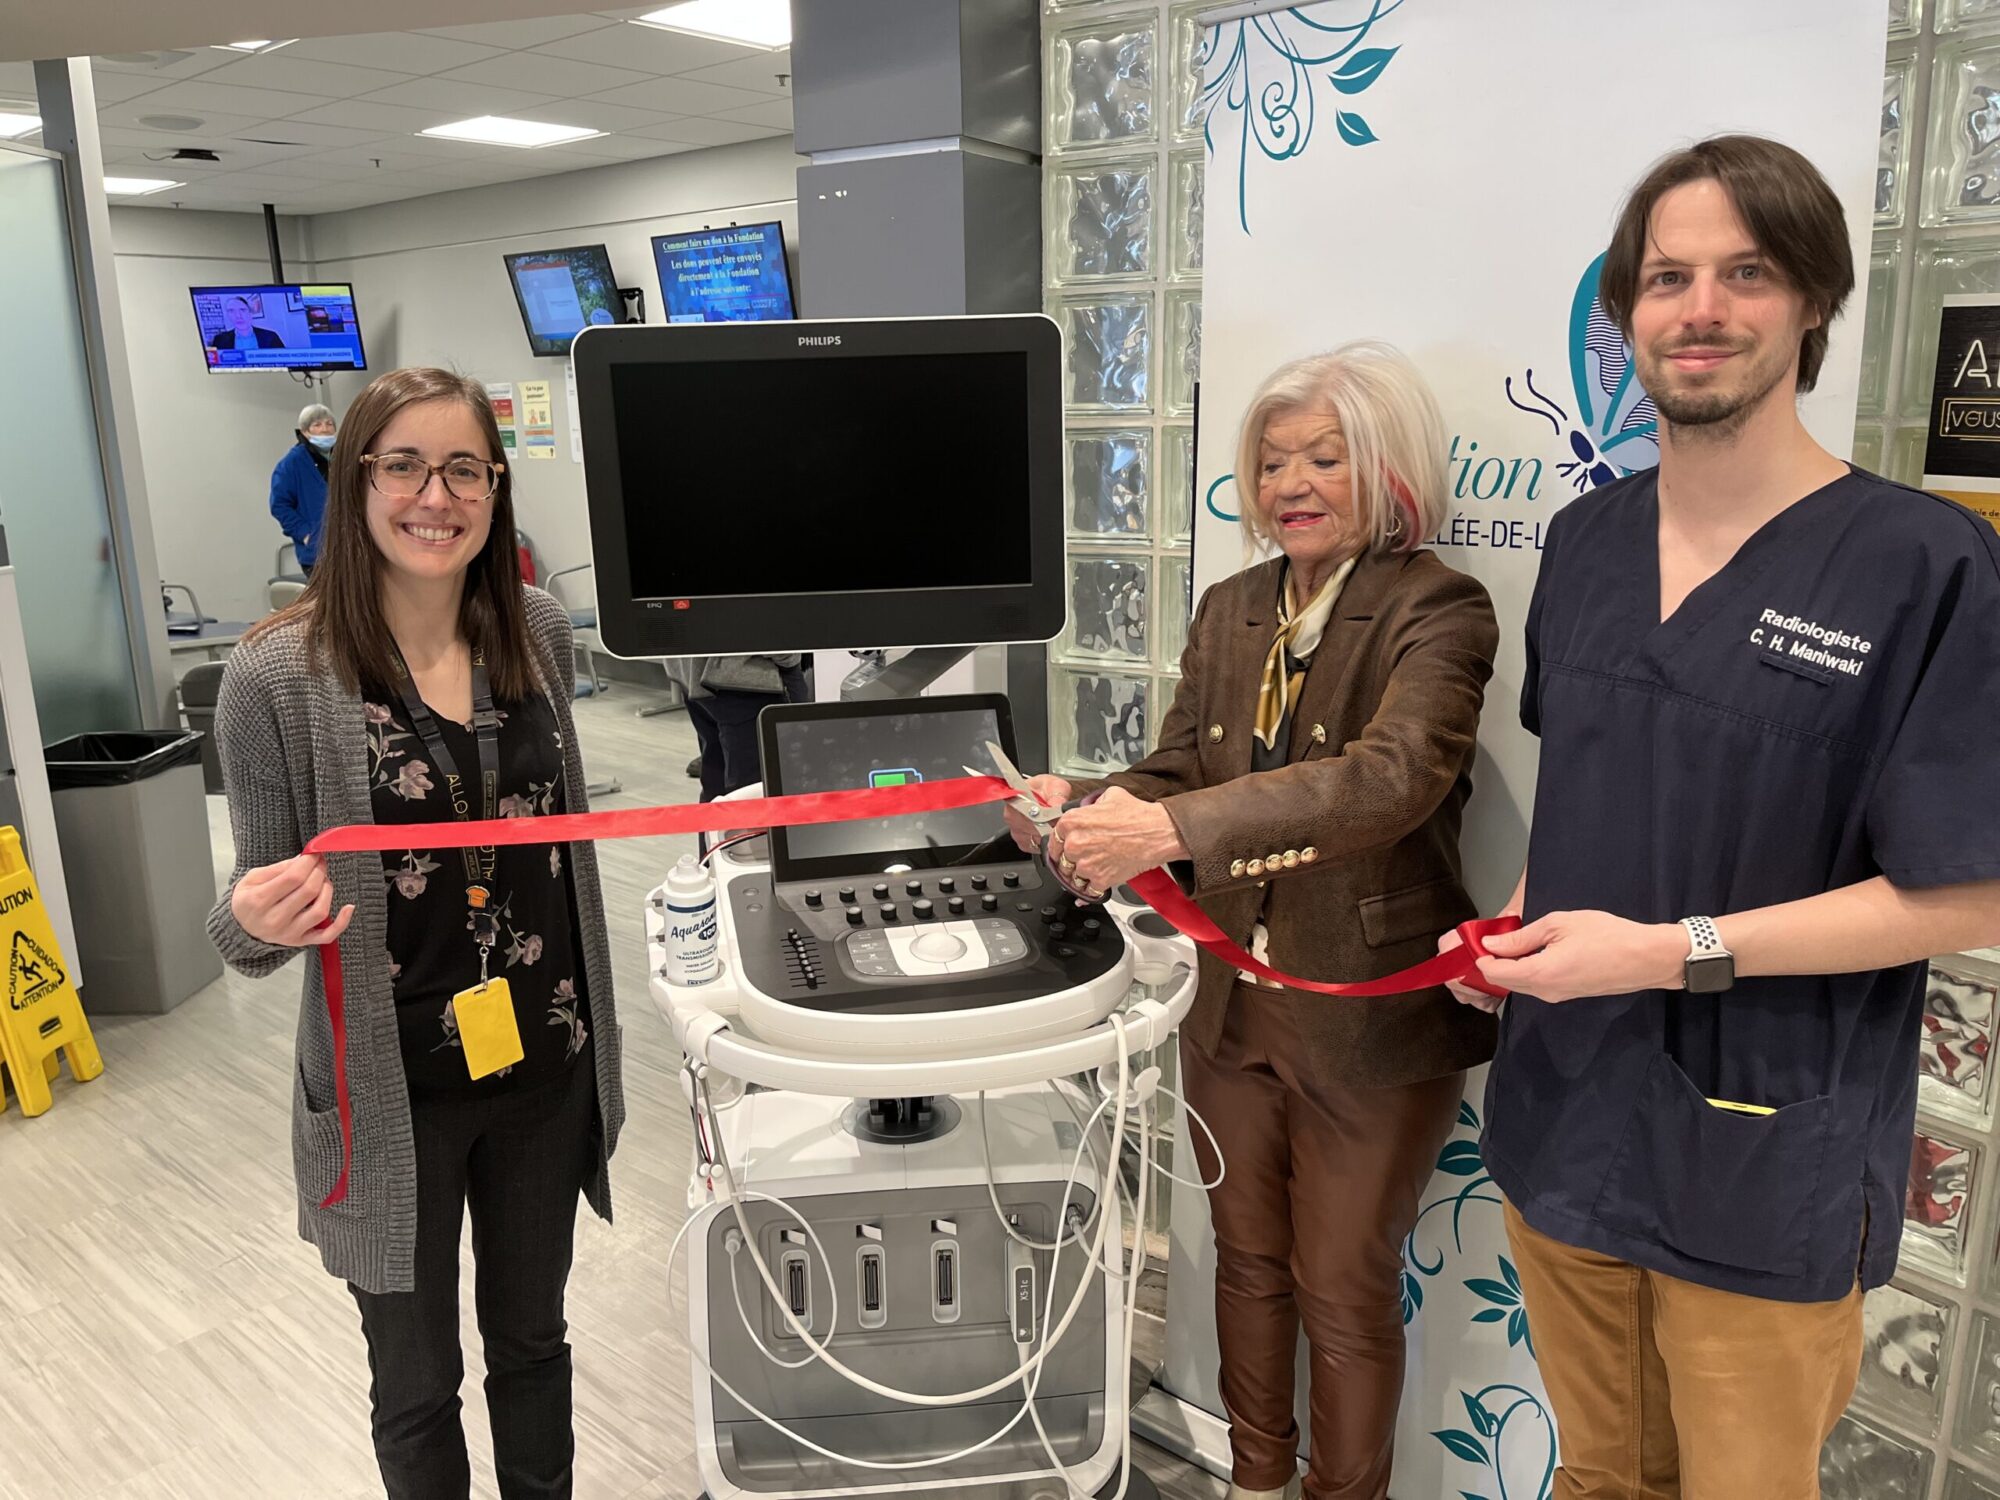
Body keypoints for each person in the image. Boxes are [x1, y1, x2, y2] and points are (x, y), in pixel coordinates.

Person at [1446, 134, 2000, 1499]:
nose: (1701, 309)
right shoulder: (1583, 544)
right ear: (1626, 314)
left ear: (1813, 301)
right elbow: (1594, 791)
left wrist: (1653, 952)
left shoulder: (1924, 564)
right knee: (1598, 1478)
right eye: (1666, 277)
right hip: (1561, 1125)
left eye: (1745, 273)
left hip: (1765, 1155)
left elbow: (1968, 894)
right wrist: (1519, 922)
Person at [1009, 342, 1499, 1500]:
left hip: (1368, 1024)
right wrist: (1080, 804)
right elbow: (1176, 770)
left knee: (1341, 1287)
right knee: (1240, 1262)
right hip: (1228, 1007)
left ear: (1384, 469)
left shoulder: (1438, 608)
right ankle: (1253, 1480)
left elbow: (1388, 781)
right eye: (1272, 460)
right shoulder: (1232, 606)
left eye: (1322, 456)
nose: (1291, 482)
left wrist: (1162, 835)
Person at [206, 366, 627, 1499]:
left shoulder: (535, 630)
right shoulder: (275, 674)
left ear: (493, 490)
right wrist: (246, 917)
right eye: (401, 465)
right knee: (416, 1383)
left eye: (461, 470)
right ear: (352, 482)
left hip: (545, 1062)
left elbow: (560, 842)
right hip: (392, 1095)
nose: (432, 496)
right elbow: (250, 914)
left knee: (533, 1345)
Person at [666, 653, 809, 800]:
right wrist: (789, 660)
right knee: (752, 792)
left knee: (715, 776)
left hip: (693, 670)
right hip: (745, 677)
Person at [271, 402, 336, 574]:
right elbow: (279, 505)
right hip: (317, 555)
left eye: (329, 424)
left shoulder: (342, 456)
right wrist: (307, 534)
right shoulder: (292, 463)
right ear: (305, 431)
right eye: (317, 425)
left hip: (350, 549)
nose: (325, 429)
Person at [211, 293, 286, 349]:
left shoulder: (271, 336)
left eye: (242, 310)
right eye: (231, 311)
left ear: (250, 313)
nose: (238, 316)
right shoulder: (219, 340)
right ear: (228, 315)